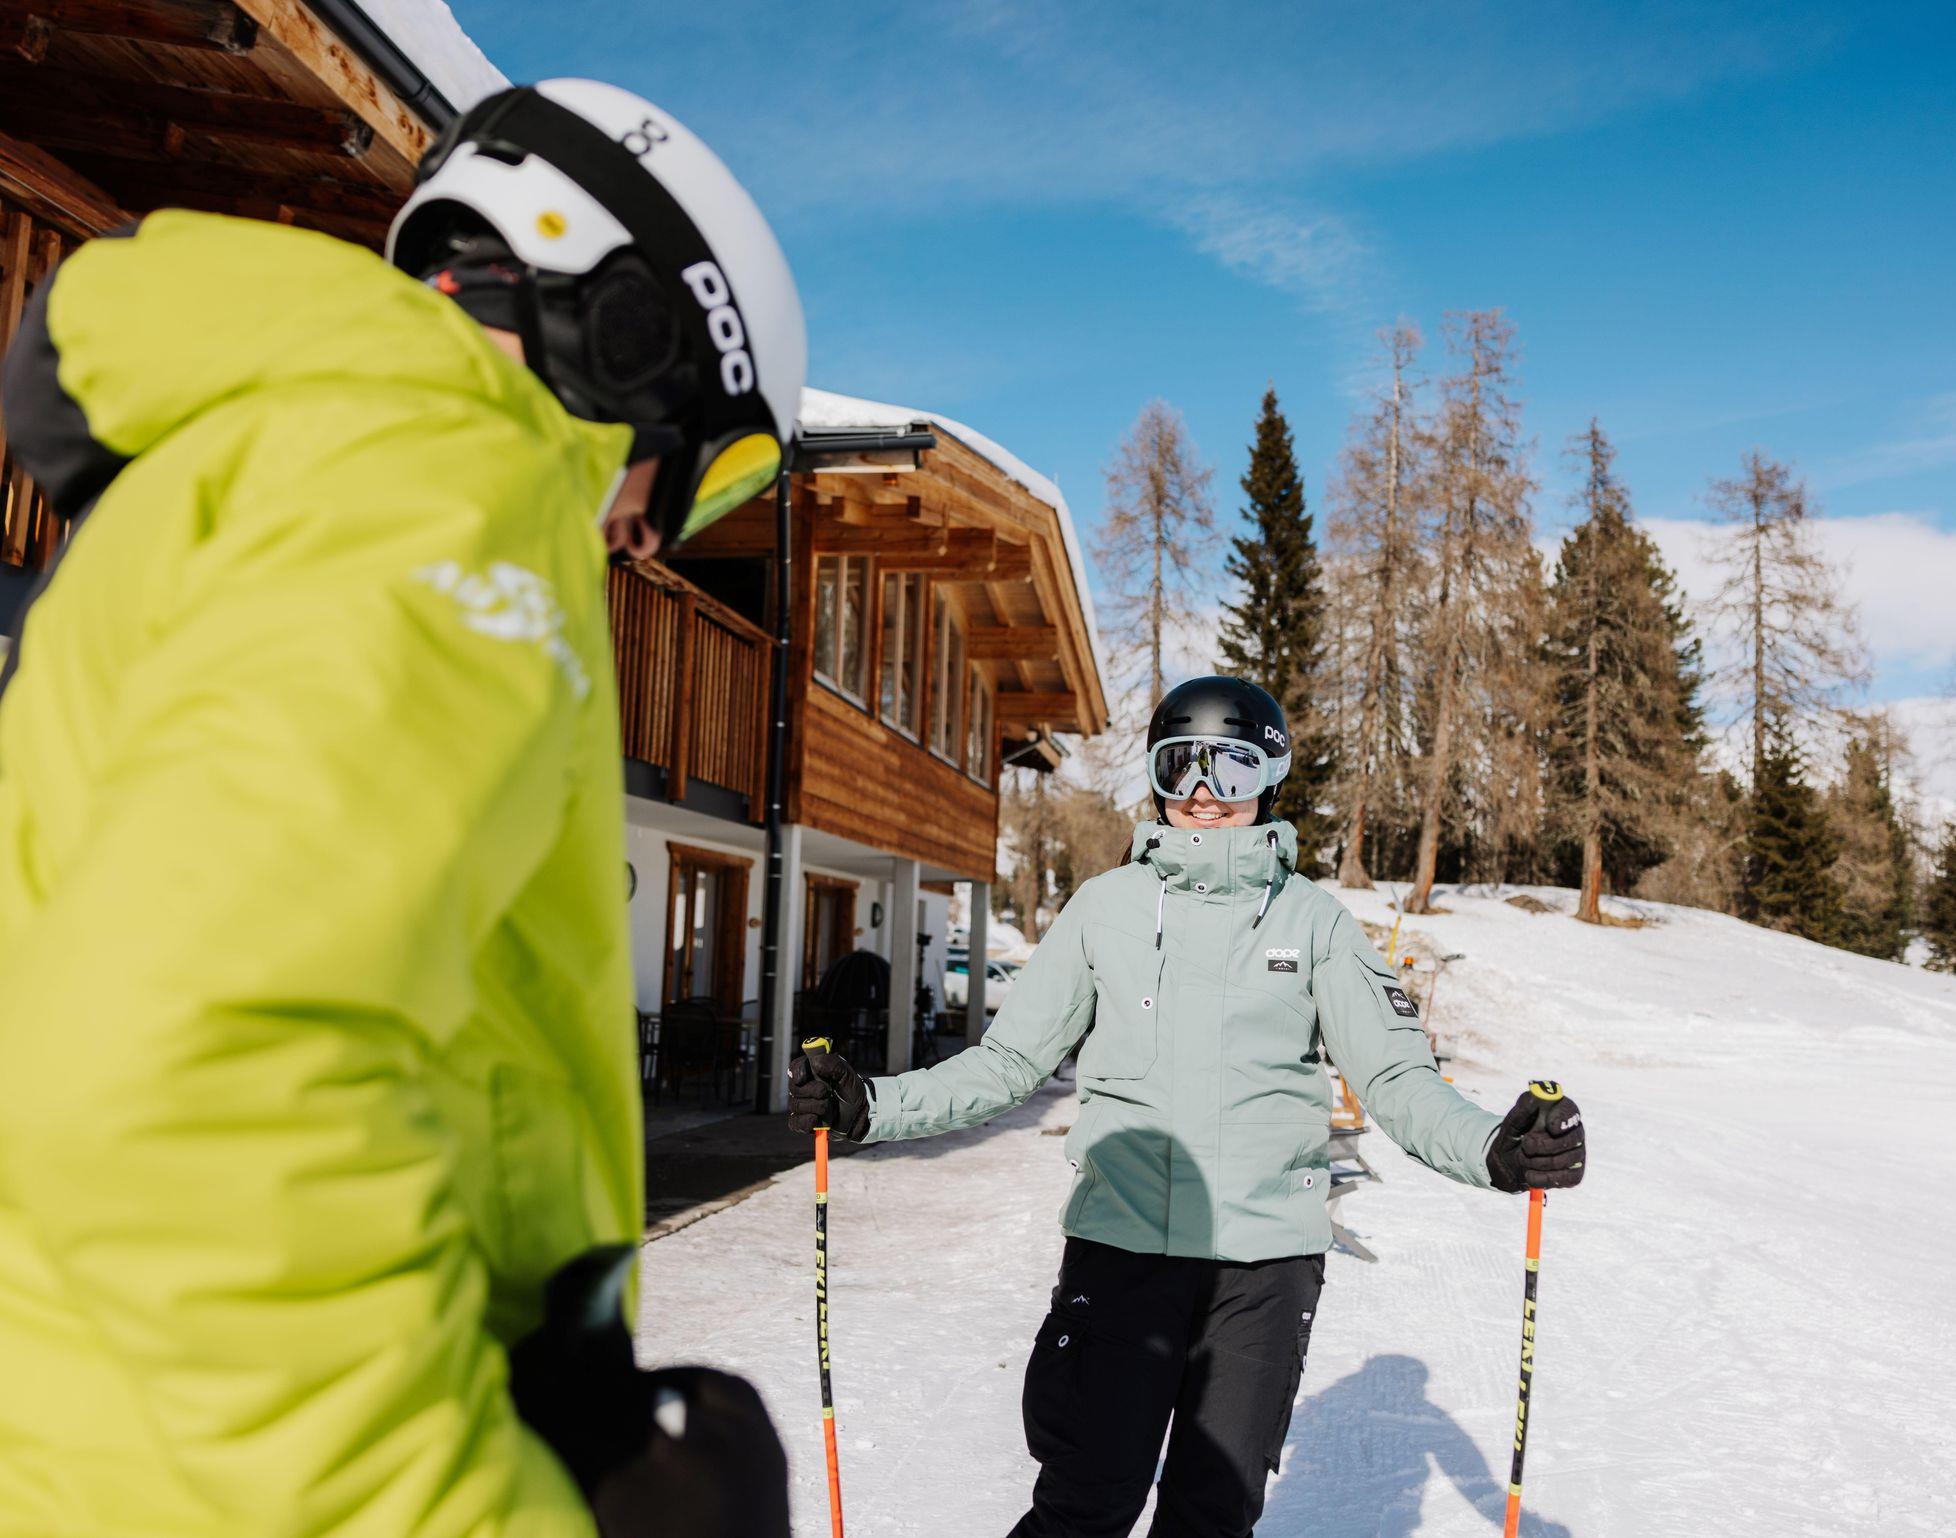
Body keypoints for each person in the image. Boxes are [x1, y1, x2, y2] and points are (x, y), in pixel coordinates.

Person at [0, 80, 802, 1537]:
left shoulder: (283, 461)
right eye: (709, 468)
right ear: (630, 331)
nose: (649, 535)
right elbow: (201, 1071)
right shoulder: (450, 475)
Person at [790, 675, 1586, 1538]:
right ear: (1156, 777)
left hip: (1263, 1270)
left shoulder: (1313, 923)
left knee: (1211, 1517)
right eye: (1182, 766)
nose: (1205, 793)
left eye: (1231, 768)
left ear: (1270, 778)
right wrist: (872, 1105)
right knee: (1085, 1506)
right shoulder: (1105, 910)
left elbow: (1396, 1078)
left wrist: (1494, 1149)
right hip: (1122, 1251)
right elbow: (1009, 1060)